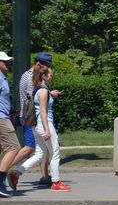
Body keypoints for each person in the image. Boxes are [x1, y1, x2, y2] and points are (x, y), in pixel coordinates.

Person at [10, 66, 71, 191]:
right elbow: (43, 111)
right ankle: (56, 182)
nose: (51, 77)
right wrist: (47, 129)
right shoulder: (43, 91)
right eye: (50, 75)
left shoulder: (38, 89)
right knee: (55, 153)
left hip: (35, 126)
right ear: (43, 76)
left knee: (39, 154)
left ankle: (16, 173)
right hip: (44, 125)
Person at [0, 52, 20, 197]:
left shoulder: (3, 78)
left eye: (8, 62)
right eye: (5, 62)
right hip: (1, 119)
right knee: (13, 147)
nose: (8, 64)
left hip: (4, 116)